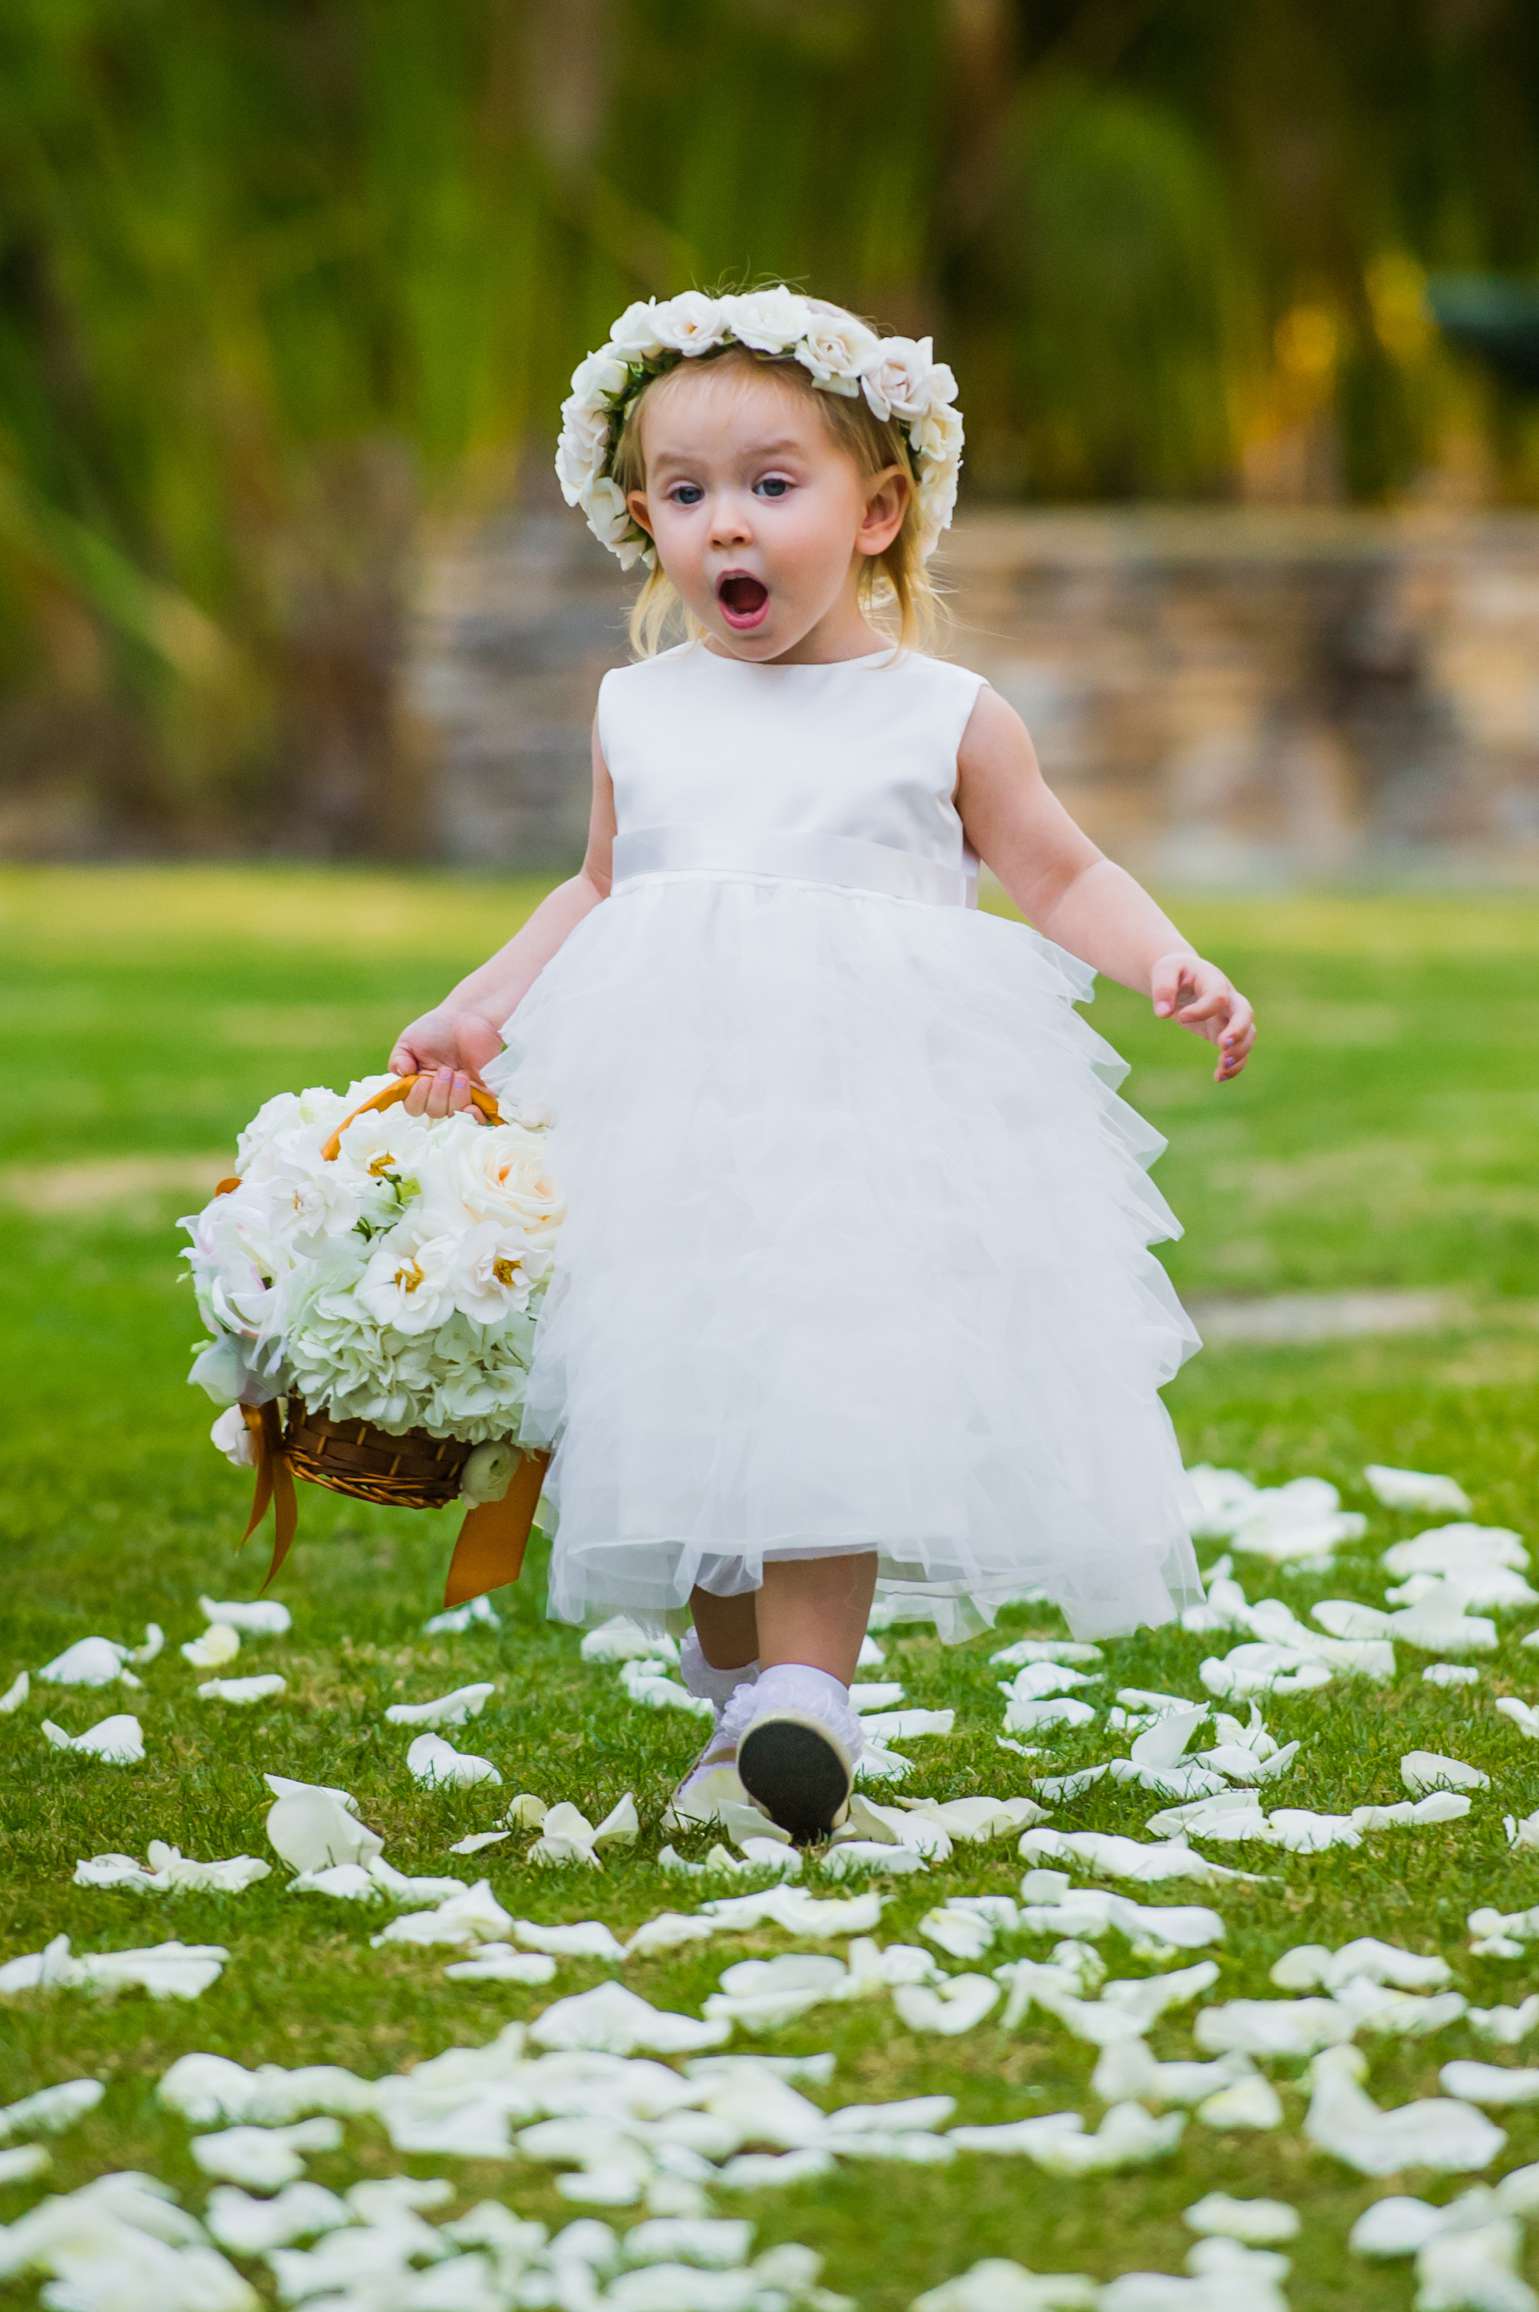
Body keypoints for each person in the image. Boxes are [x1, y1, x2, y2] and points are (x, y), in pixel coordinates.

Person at [385, 281, 1257, 1846]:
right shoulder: (638, 712)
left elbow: (1057, 871)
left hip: (868, 1129)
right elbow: (596, 888)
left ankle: (810, 1696)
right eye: (686, 493)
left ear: (878, 510)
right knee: (697, 1392)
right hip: (677, 1126)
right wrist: (477, 1010)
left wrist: (1163, 959)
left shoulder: (939, 716)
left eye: (771, 487)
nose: (727, 526)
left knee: (825, 1390)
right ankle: (749, 1719)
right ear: (642, 516)